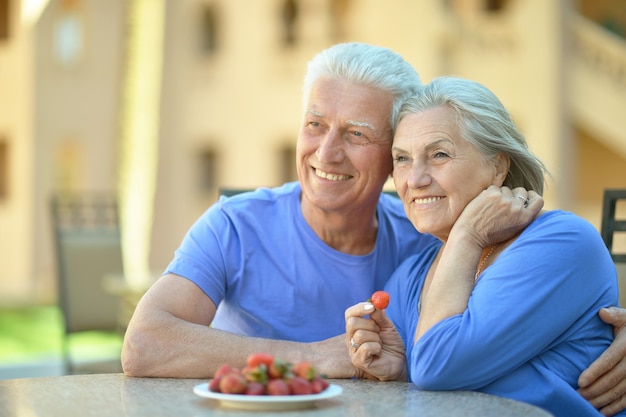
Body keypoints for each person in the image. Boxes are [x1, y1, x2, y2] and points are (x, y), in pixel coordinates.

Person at [121, 42, 626, 414]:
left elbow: (440, 363)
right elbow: (144, 344)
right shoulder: (413, 262)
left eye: (357, 134)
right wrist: (334, 359)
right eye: (315, 124)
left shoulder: (427, 241)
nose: (326, 153)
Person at [344, 76, 626, 417]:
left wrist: (468, 234)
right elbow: (433, 387)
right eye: (402, 159)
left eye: (439, 154)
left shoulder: (562, 242)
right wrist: (400, 370)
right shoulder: (410, 277)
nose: (414, 179)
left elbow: (437, 366)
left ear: (498, 167)